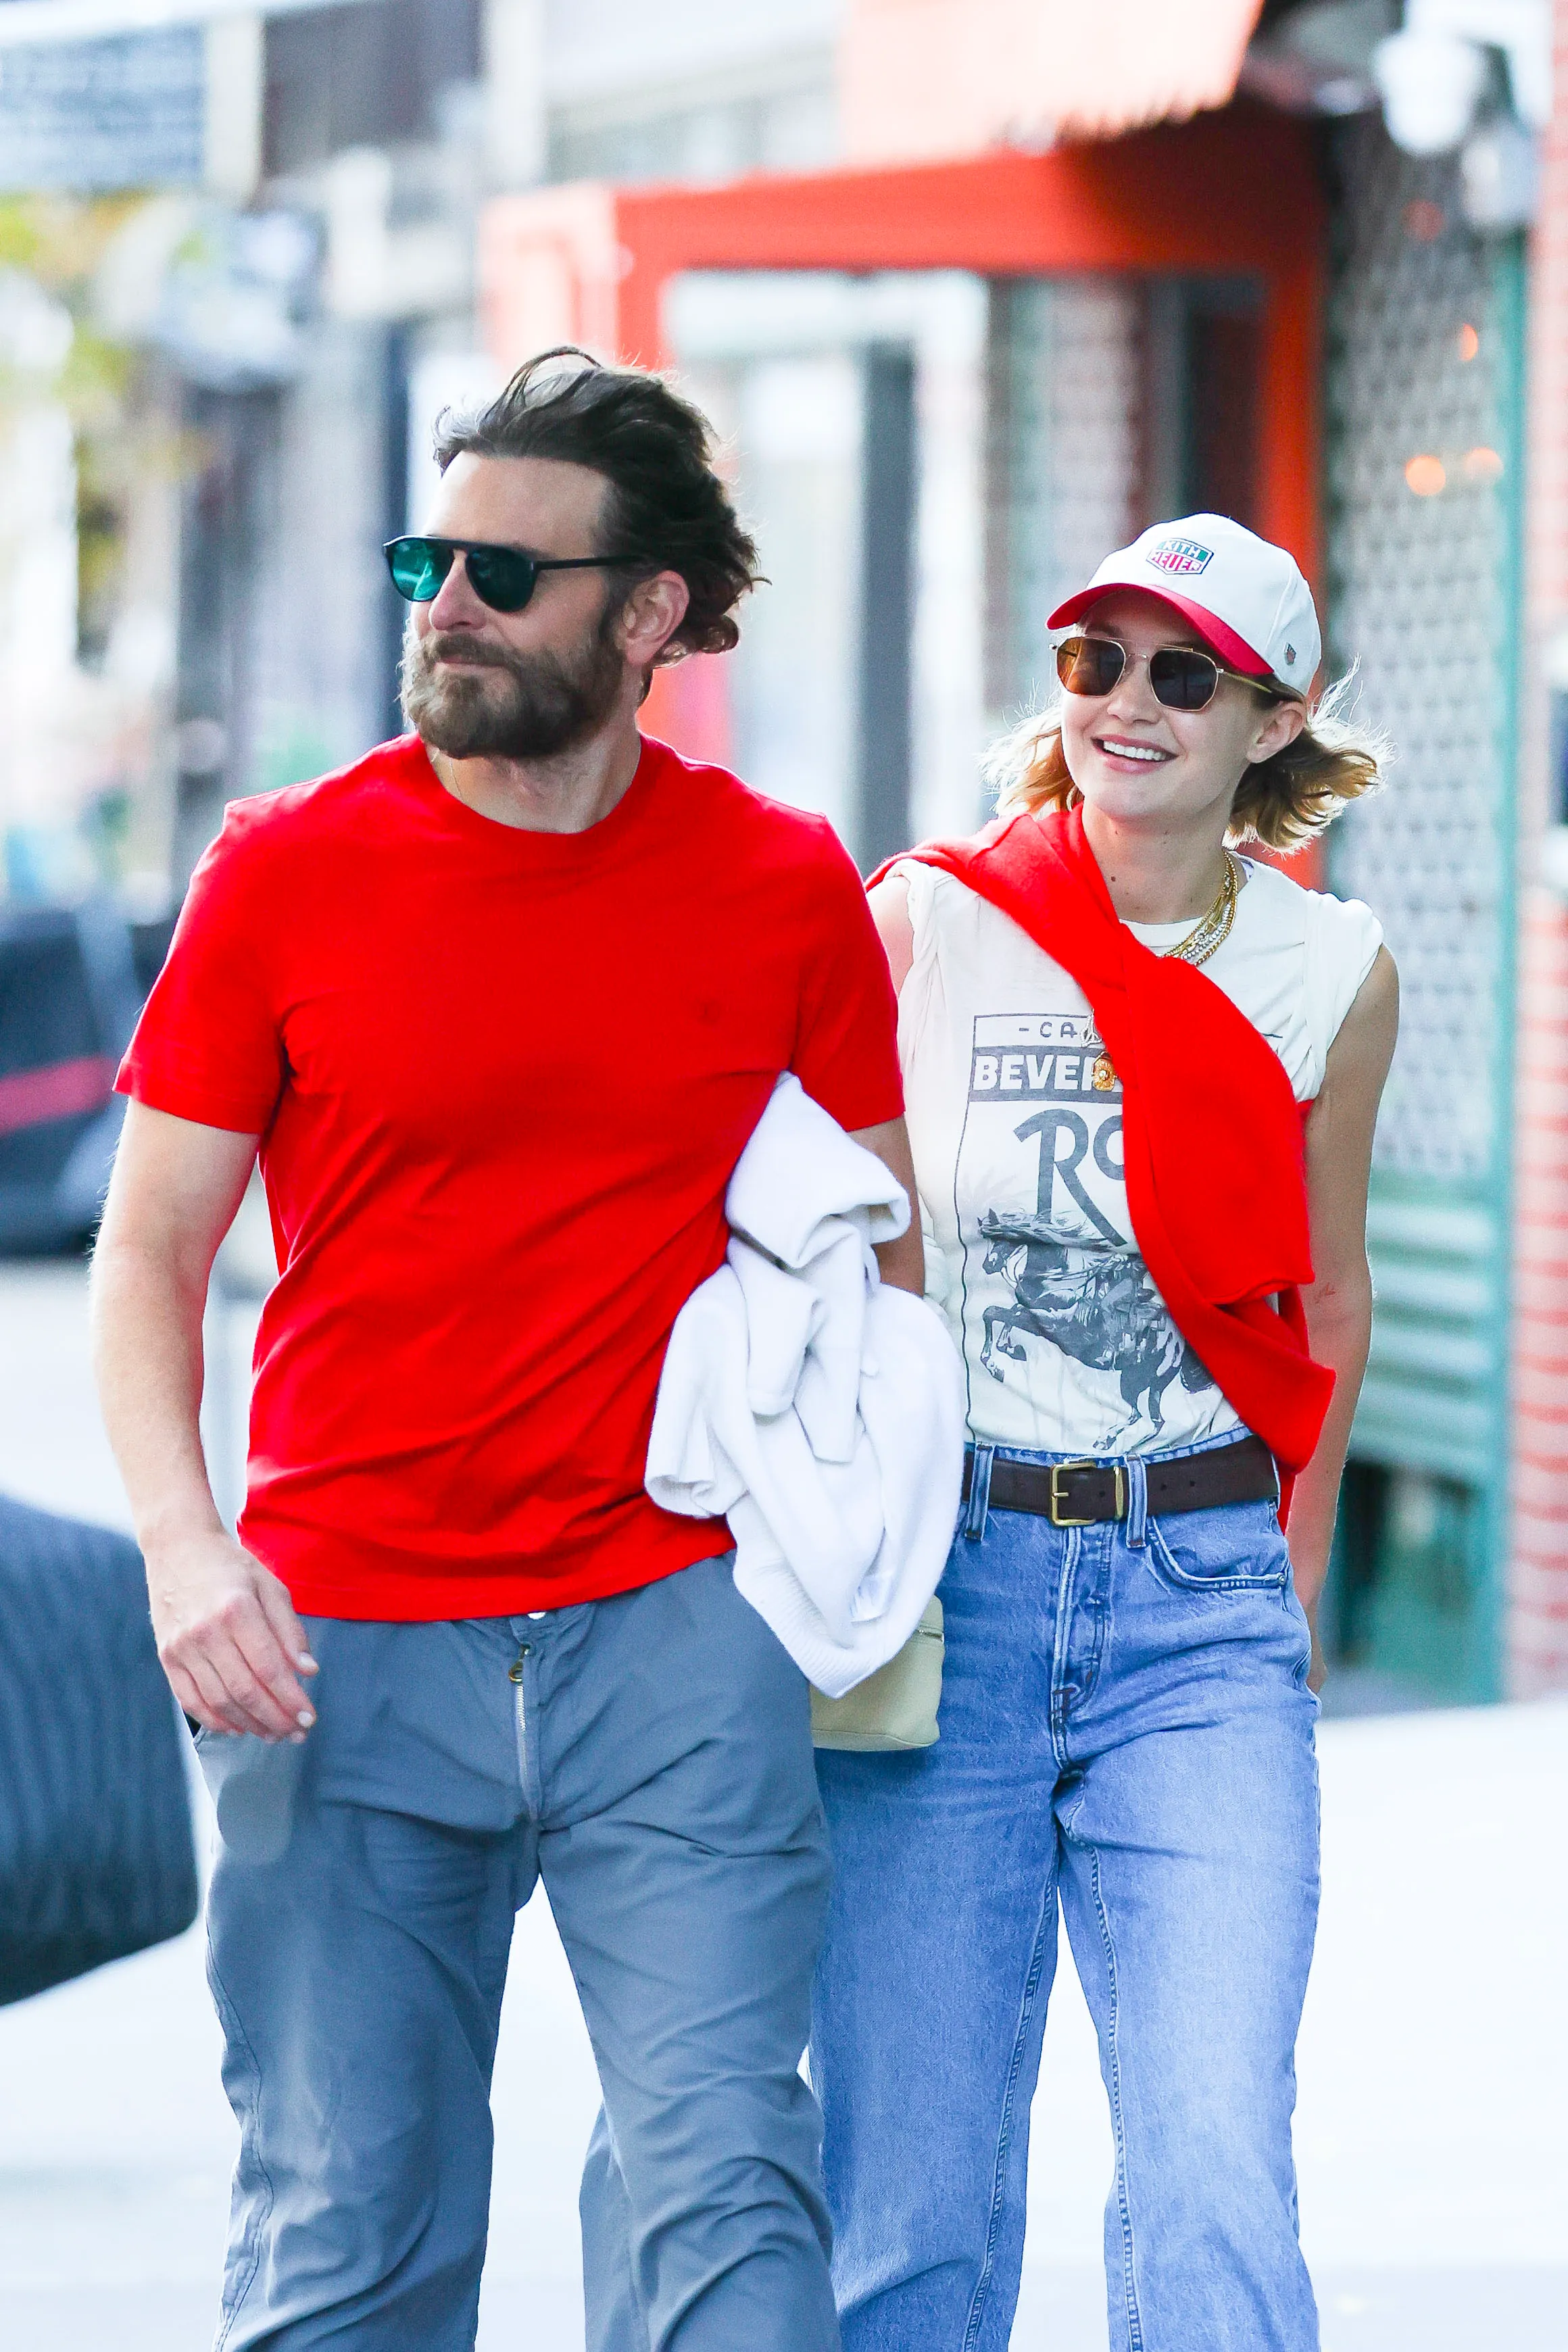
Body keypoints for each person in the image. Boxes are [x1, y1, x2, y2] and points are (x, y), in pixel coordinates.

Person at [91, 347, 923, 2352]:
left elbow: (877, 1286)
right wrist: (189, 1556)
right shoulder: (286, 871)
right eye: (425, 558)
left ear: (650, 615)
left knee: (727, 2197)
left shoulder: (782, 882)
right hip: (341, 1649)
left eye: (503, 573)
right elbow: (146, 1261)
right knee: (346, 2239)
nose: (443, 604)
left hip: (676, 1632)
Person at [810, 514, 1399, 2352]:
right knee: (906, 2192)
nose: (1127, 705)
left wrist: (1275, 1578)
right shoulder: (922, 922)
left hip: (1199, 1601)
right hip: (952, 1587)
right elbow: (838, 1242)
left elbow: (1331, 1294)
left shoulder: (1336, 968)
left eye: (1182, 674)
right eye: (1095, 663)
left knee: (1219, 2168)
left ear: (1271, 722)